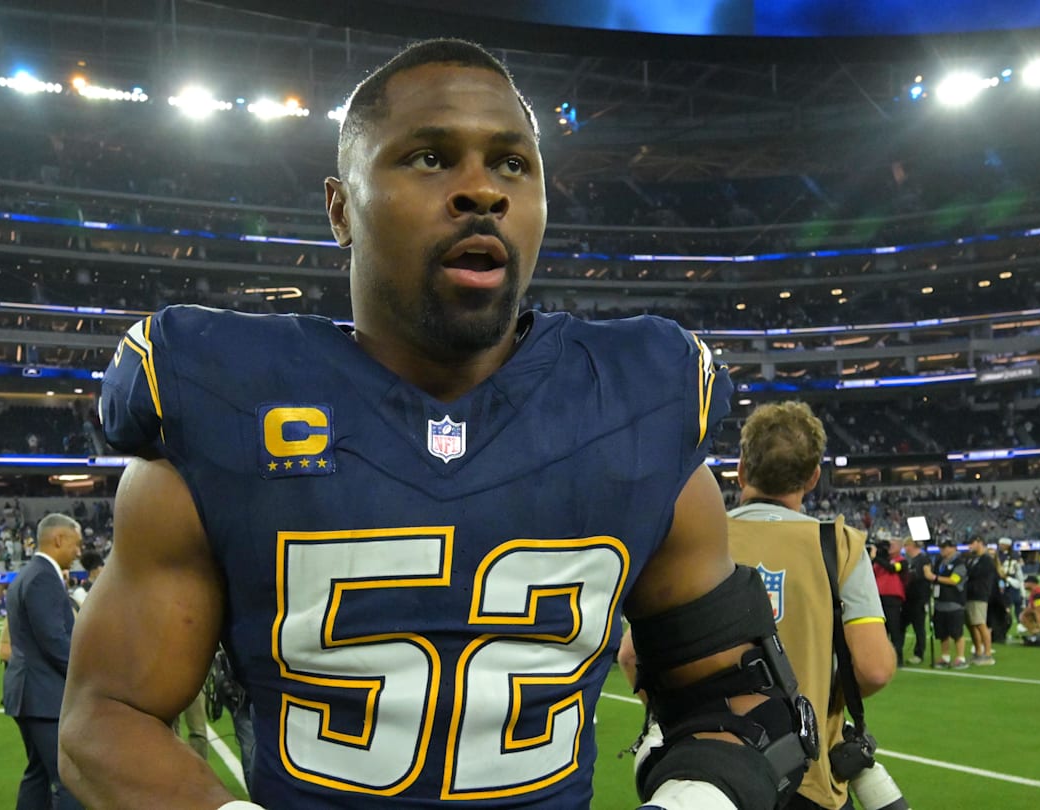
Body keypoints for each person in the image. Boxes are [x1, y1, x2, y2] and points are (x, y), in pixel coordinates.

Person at [64, 39, 814, 810]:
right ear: (339, 208)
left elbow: (737, 702)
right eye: (429, 158)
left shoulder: (636, 403)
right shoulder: (222, 399)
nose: (482, 191)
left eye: (513, 165)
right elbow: (106, 716)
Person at [623, 401, 895, 810]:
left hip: (718, 773)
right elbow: (874, 668)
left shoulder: (697, 540)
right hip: (811, 775)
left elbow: (631, 657)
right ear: (814, 477)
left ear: (743, 470)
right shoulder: (839, 545)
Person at [4, 513, 85, 810]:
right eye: (76, 545)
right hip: (43, 696)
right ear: (59, 539)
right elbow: (54, 640)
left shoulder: (28, 574)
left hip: (29, 694)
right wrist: (85, 678)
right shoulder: (42, 577)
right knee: (71, 780)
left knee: (37, 776)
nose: (78, 552)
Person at [924, 540, 969, 668]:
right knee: (942, 632)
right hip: (940, 601)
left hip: (954, 601)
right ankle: (945, 656)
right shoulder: (939, 562)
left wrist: (934, 577)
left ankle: (960, 657)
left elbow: (954, 580)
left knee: (957, 632)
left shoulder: (959, 563)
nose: (942, 549)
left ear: (953, 548)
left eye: (945, 547)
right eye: (941, 547)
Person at [871, 539, 908, 667]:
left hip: (893, 599)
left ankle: (898, 658)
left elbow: (892, 568)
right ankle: (882, 658)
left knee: (894, 629)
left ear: (899, 547)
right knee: (881, 630)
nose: (889, 547)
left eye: (892, 545)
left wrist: (876, 558)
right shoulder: (878, 562)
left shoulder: (901, 561)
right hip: (878, 598)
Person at [963, 537, 998, 665]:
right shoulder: (972, 558)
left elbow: (977, 576)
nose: (970, 546)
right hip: (969, 594)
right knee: (972, 625)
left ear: (979, 542)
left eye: (972, 543)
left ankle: (987, 654)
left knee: (980, 624)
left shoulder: (987, 559)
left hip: (979, 594)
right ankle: (978, 651)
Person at [900, 538, 930, 665]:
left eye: (906, 545)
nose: (905, 548)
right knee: (900, 626)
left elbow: (923, 578)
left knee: (919, 628)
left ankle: (919, 653)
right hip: (908, 599)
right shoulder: (910, 560)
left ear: (912, 545)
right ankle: (897, 650)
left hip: (919, 599)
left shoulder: (923, 559)